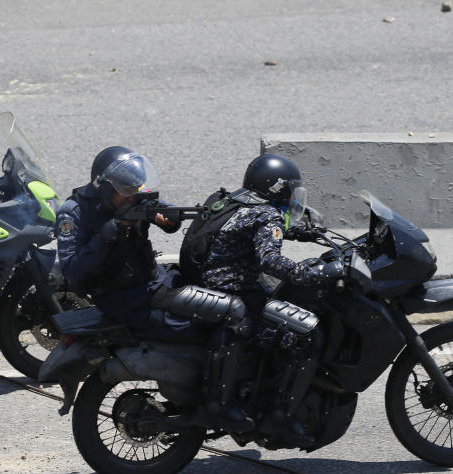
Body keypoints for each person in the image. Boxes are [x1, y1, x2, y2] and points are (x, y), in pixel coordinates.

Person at [178, 153, 344, 446]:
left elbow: (249, 231)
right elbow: (269, 259)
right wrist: (312, 275)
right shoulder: (268, 214)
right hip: (233, 288)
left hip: (206, 281)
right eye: (290, 190)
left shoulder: (229, 200)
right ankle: (280, 415)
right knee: (307, 333)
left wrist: (303, 232)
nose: (293, 196)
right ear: (278, 188)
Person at [56, 146, 192, 341]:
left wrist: (169, 216)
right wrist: (107, 235)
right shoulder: (73, 213)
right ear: (105, 187)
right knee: (191, 327)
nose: (132, 196)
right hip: (121, 298)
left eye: (134, 190)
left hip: (150, 281)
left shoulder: (131, 194)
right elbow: (71, 270)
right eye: (125, 192)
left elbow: (159, 207)